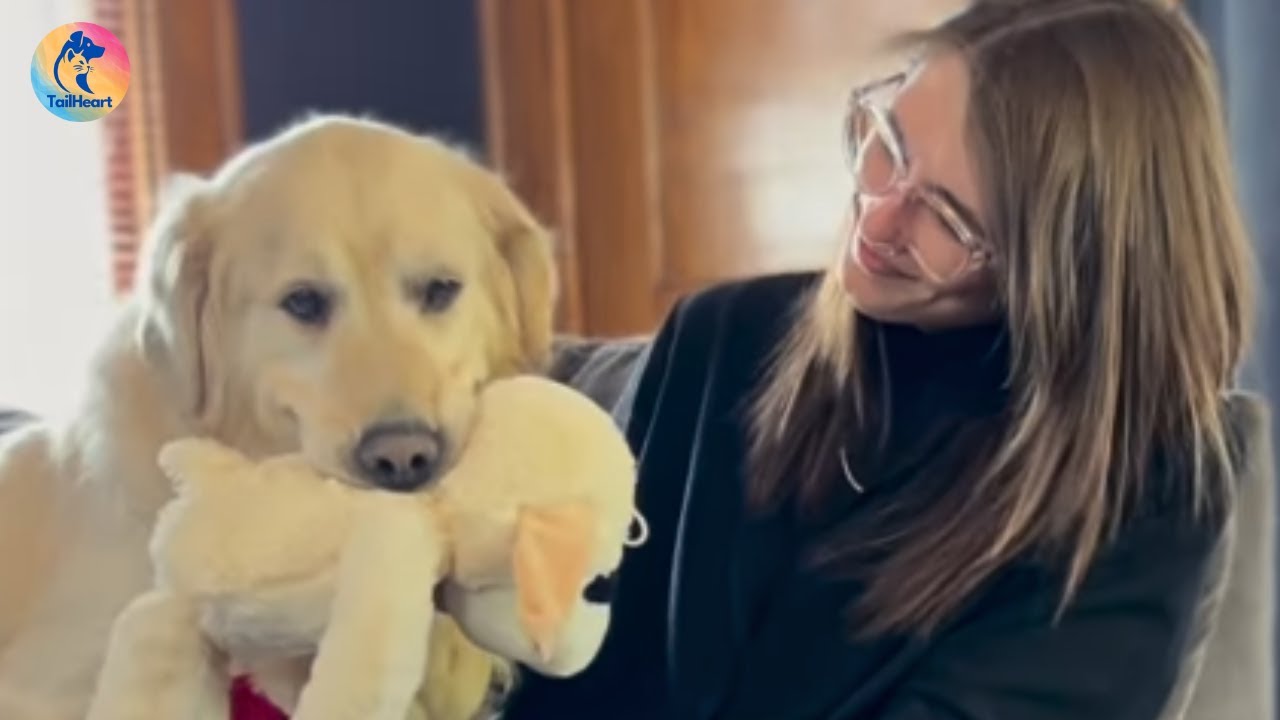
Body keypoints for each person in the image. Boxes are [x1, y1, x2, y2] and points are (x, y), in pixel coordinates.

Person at [498, 0, 1257, 718]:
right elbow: (567, 666)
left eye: (950, 217)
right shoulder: (719, 336)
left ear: (1070, 268)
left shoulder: (1142, 491)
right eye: (887, 142)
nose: (879, 212)